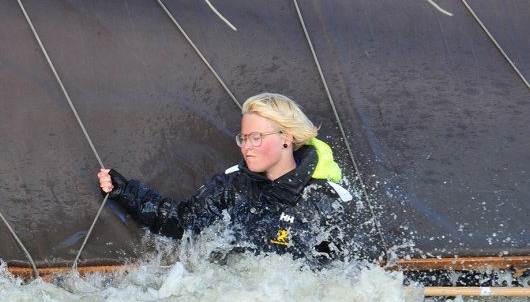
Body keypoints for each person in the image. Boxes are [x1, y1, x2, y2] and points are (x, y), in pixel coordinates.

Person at [97, 93, 353, 265]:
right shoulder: (233, 184)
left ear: (286, 137)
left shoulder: (325, 197)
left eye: (256, 138)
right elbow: (183, 222)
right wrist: (127, 192)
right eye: (244, 138)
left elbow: (345, 274)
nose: (246, 147)